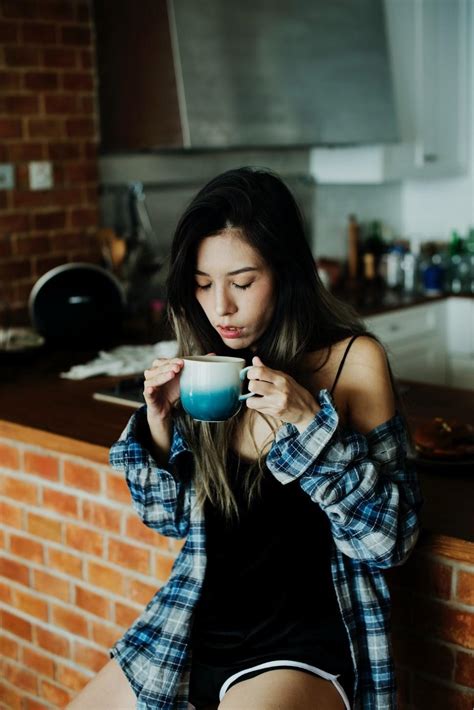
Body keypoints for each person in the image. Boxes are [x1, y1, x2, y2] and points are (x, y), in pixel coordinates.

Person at [68, 167, 422, 710]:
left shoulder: (354, 362)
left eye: (243, 281)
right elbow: (169, 520)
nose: (221, 308)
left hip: (300, 647)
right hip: (190, 627)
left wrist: (310, 429)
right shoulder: (210, 365)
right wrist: (159, 426)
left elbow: (391, 541)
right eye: (204, 284)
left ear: (285, 273)